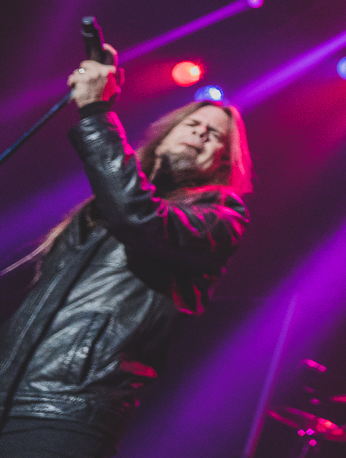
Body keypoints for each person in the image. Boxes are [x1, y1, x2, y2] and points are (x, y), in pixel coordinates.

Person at [0, 49, 251, 458]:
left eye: (216, 134)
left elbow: (143, 220)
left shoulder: (221, 217)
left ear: (223, 160)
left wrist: (97, 113)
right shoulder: (103, 205)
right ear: (165, 133)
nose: (203, 132)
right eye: (193, 123)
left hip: (68, 411)